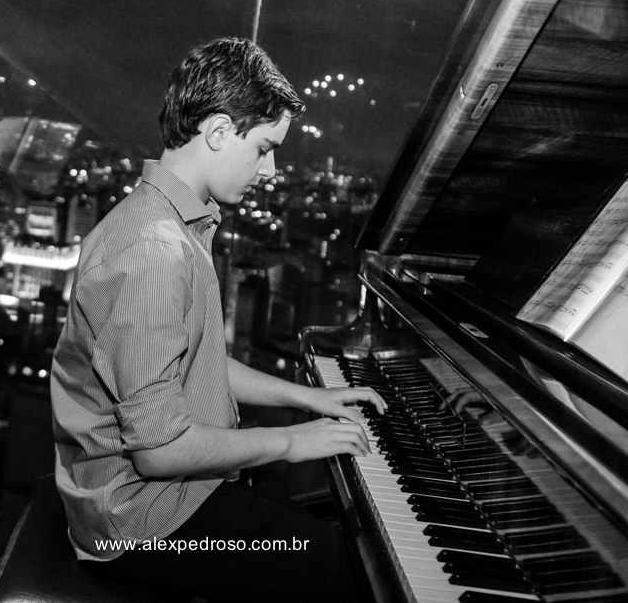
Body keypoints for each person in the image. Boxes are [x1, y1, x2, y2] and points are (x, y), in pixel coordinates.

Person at [50, 36, 385, 602]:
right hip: (138, 527)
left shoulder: (172, 220)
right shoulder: (155, 251)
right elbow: (161, 453)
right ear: (219, 132)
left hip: (156, 499)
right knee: (327, 559)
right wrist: (289, 443)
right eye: (264, 148)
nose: (274, 170)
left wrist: (309, 399)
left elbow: (197, 360)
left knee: (320, 533)